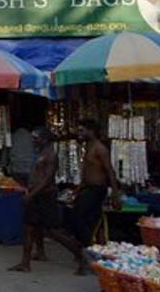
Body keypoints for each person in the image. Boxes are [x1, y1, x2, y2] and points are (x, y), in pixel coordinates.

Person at [9, 128, 80, 273]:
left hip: (44, 196)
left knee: (54, 231)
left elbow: (47, 180)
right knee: (29, 229)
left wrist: (32, 194)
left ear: (45, 139)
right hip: (36, 195)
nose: (33, 140)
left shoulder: (50, 155)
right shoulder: (40, 153)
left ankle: (81, 257)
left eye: (36, 138)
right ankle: (25, 263)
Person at [69, 118, 120, 275]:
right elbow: (87, 173)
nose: (80, 133)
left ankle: (86, 258)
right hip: (88, 189)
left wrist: (115, 194)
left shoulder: (99, 148)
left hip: (97, 190)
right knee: (80, 222)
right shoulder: (89, 147)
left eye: (82, 130)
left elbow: (110, 171)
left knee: (83, 223)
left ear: (91, 131)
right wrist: (78, 189)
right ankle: (84, 256)